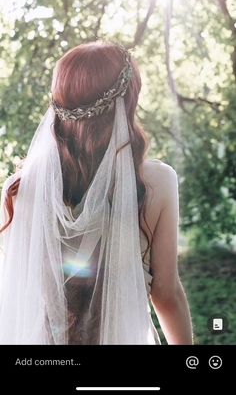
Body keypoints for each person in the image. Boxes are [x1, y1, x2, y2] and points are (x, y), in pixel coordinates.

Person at [0, 40, 193, 345]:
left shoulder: (19, 191)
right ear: (128, 101)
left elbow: (18, 294)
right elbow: (166, 295)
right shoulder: (156, 183)